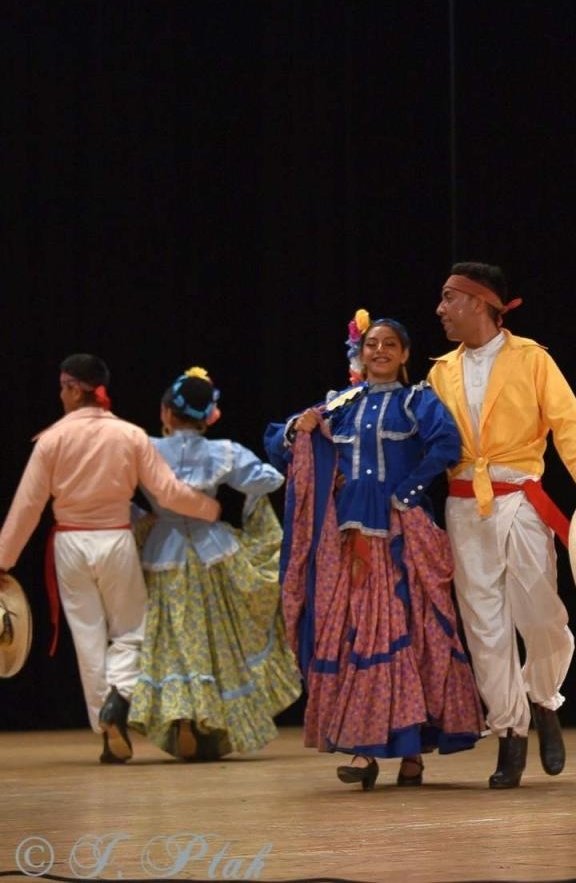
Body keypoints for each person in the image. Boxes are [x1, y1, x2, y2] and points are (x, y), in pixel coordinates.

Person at [268, 314, 482, 789]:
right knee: (355, 635)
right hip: (348, 537)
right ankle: (363, 753)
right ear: (360, 353)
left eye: (390, 345)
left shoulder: (416, 401)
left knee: (410, 635)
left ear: (404, 355)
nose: (379, 351)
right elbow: (280, 442)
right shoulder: (340, 404)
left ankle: (411, 754)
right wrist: (298, 429)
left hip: (400, 537)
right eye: (371, 345)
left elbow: (446, 445)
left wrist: (405, 494)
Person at [430, 262, 576, 788]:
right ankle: (509, 731)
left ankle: (544, 700)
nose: (440, 310)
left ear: (479, 304)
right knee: (484, 625)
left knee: (543, 615)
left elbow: (568, 423)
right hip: (464, 504)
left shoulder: (531, 359)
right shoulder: (440, 372)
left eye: (448, 299)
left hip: (521, 499)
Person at [0, 354, 220, 763]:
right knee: (132, 631)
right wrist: (211, 511)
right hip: (116, 539)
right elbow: (168, 492)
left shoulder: (51, 440)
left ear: (71, 388)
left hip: (71, 544)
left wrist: (3, 560)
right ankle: (119, 698)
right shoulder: (130, 435)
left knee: (87, 637)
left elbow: (27, 506)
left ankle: (105, 723)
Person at [130, 368, 300, 760]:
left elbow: (116, 486)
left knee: (172, 636)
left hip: (163, 548)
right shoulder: (223, 451)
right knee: (216, 636)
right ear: (208, 416)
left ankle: (182, 712)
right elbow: (269, 479)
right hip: (213, 548)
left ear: (167, 412)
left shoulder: (146, 449)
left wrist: (141, 518)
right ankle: (209, 714)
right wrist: (255, 514)